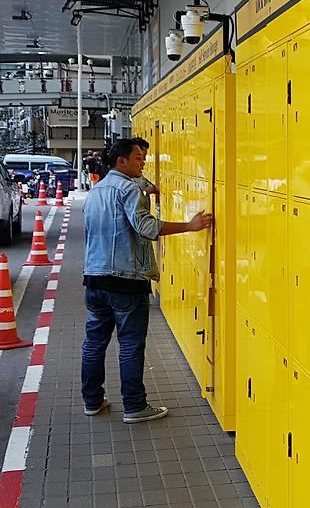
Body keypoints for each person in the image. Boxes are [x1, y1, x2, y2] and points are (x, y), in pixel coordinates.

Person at [81, 138, 212, 422]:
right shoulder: (129, 189)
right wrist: (189, 226)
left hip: (94, 279)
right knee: (130, 344)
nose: (143, 163)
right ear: (122, 161)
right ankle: (134, 406)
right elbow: (146, 227)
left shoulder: (96, 191)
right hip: (126, 280)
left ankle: (92, 401)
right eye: (138, 158)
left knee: (94, 342)